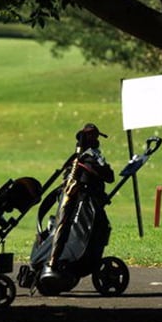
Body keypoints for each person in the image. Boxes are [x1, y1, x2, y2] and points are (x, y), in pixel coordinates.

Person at [39, 122, 114, 293]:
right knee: (61, 224)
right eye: (91, 136)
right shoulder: (80, 156)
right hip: (72, 195)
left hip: (86, 198)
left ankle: (55, 261)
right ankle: (52, 261)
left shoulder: (92, 156)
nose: (94, 139)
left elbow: (108, 176)